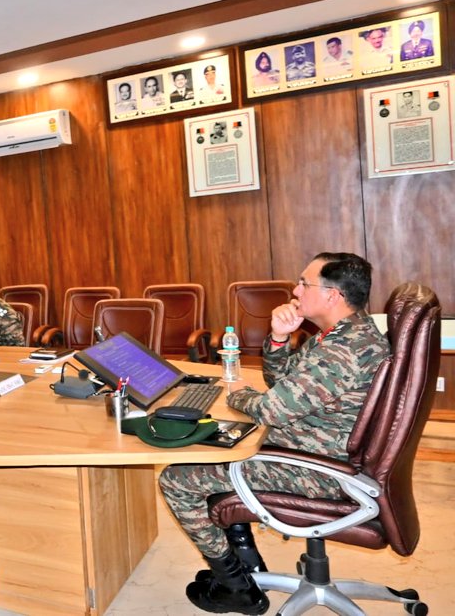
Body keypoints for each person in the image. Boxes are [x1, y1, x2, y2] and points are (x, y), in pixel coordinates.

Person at [159, 253, 389, 615]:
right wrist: (280, 338)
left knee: (177, 479)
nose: (295, 291)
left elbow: (271, 408)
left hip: (319, 470)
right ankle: (246, 570)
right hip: (319, 448)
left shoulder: (342, 351)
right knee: (212, 449)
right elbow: (283, 383)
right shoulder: (346, 333)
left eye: (304, 283)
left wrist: (233, 394)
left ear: (332, 295)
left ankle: (235, 588)